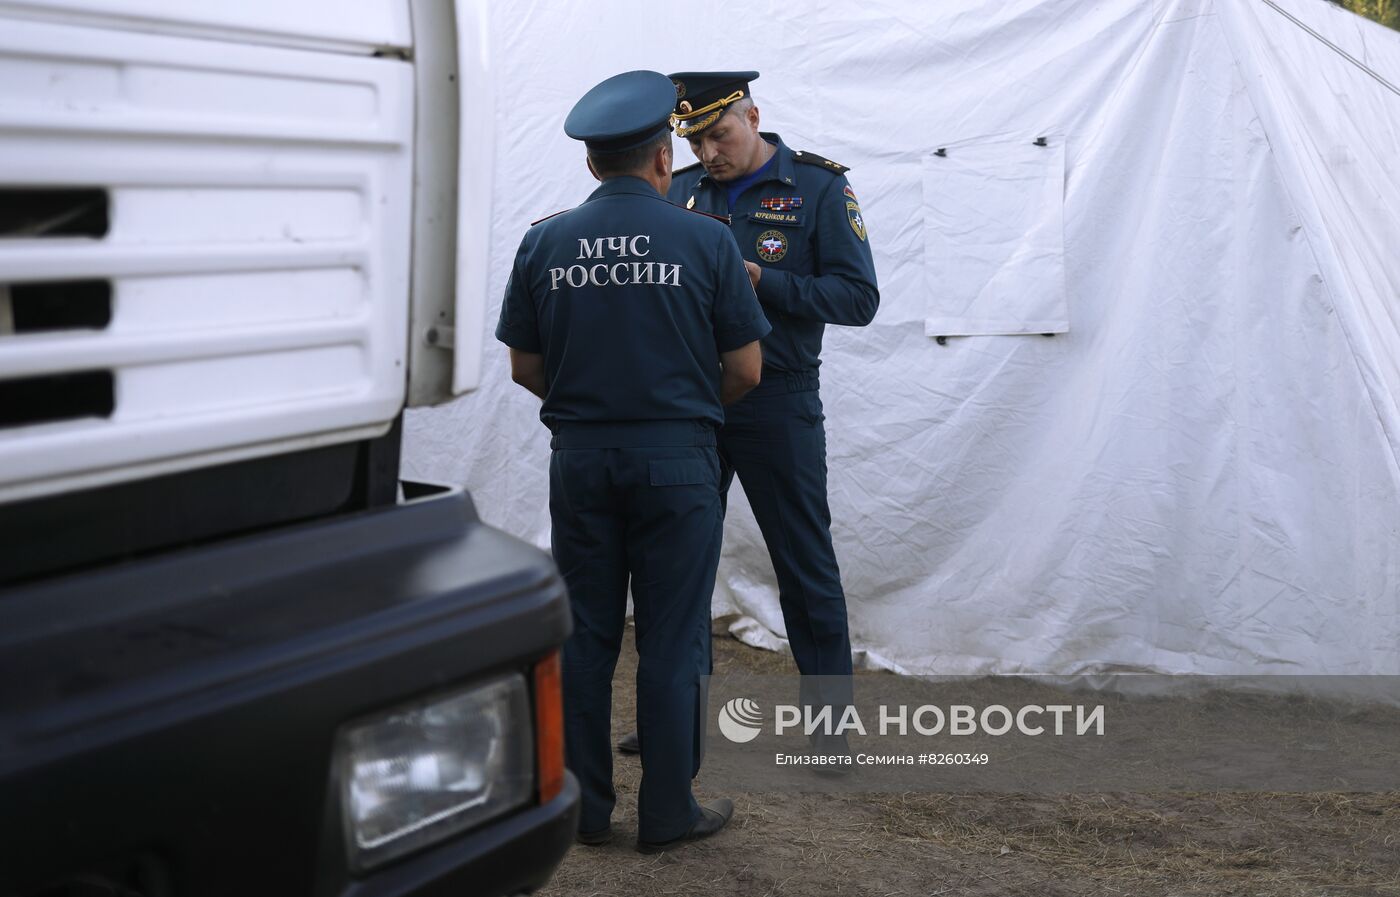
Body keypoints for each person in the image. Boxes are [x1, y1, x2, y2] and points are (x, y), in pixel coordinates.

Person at [495, 70, 770, 852]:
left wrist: (591, 409)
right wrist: (680, 412)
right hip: (677, 460)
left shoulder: (544, 240)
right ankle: (666, 810)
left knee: (584, 635)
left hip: (580, 459)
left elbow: (523, 365)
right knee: (673, 636)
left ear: (592, 165)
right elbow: (746, 369)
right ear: (662, 159)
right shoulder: (708, 240)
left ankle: (581, 807)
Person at [615, 71, 879, 758]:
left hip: (777, 400)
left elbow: (858, 298)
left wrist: (764, 279)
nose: (709, 152)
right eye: (694, 139)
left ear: (754, 116)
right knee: (675, 563)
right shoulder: (678, 192)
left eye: (719, 134)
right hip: (694, 399)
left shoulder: (817, 188)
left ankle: (828, 733)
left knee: (803, 559)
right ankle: (674, 716)